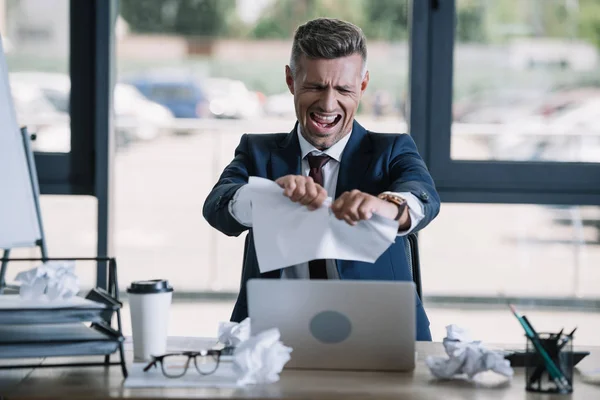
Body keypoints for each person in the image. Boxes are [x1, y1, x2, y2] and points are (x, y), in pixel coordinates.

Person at [203, 18, 440, 341]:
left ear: (363, 85)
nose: (328, 105)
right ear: (290, 80)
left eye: (344, 89)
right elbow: (217, 206)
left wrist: (387, 207)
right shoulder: (258, 150)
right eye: (315, 86)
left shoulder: (392, 149)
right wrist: (268, 196)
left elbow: (423, 196)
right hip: (273, 334)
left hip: (382, 333)